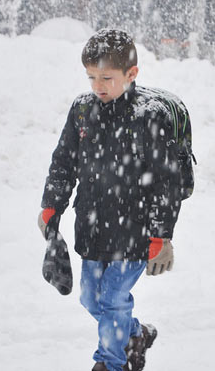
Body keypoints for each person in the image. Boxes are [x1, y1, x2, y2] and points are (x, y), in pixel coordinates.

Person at [38, 29, 193, 371]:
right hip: (93, 225)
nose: (98, 86)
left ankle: (110, 362)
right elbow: (63, 162)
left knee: (112, 299)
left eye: (107, 77)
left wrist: (159, 234)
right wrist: (52, 205)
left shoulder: (149, 116)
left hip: (134, 229)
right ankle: (134, 334)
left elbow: (164, 183)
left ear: (131, 74)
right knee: (91, 298)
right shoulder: (81, 111)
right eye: (91, 77)